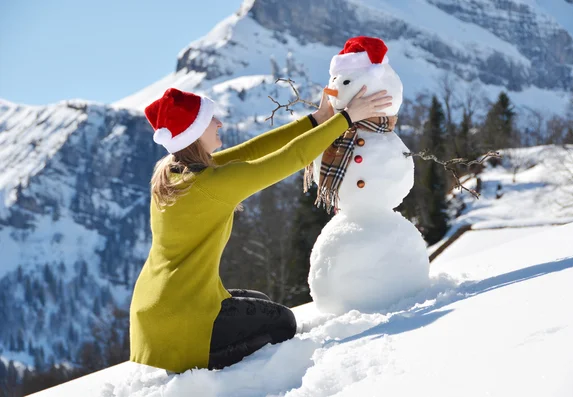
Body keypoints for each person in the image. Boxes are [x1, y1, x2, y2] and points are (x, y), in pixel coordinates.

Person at [129, 85, 392, 373]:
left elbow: (253, 150)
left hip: (159, 307)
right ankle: (206, 367)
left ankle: (196, 353)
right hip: (183, 316)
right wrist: (346, 118)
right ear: (193, 133)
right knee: (283, 323)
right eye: (210, 120)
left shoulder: (174, 174)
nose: (219, 123)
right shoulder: (212, 184)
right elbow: (290, 158)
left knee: (260, 302)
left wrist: (317, 119)